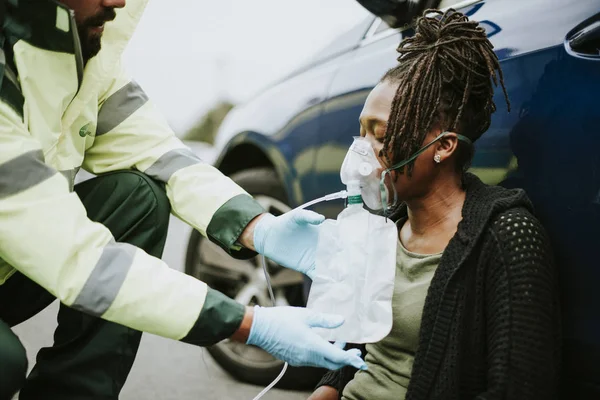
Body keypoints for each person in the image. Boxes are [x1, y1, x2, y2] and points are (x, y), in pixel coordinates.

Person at [0, 0, 366, 399]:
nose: (118, 2)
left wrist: (261, 229)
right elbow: (77, 258)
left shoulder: (89, 63)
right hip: (35, 251)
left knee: (138, 198)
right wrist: (248, 324)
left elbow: (162, 158)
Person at [309, 8, 560, 400]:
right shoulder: (384, 226)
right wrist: (326, 389)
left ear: (443, 146)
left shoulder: (506, 235)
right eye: (362, 134)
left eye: (382, 135)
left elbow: (519, 387)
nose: (361, 153)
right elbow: (357, 347)